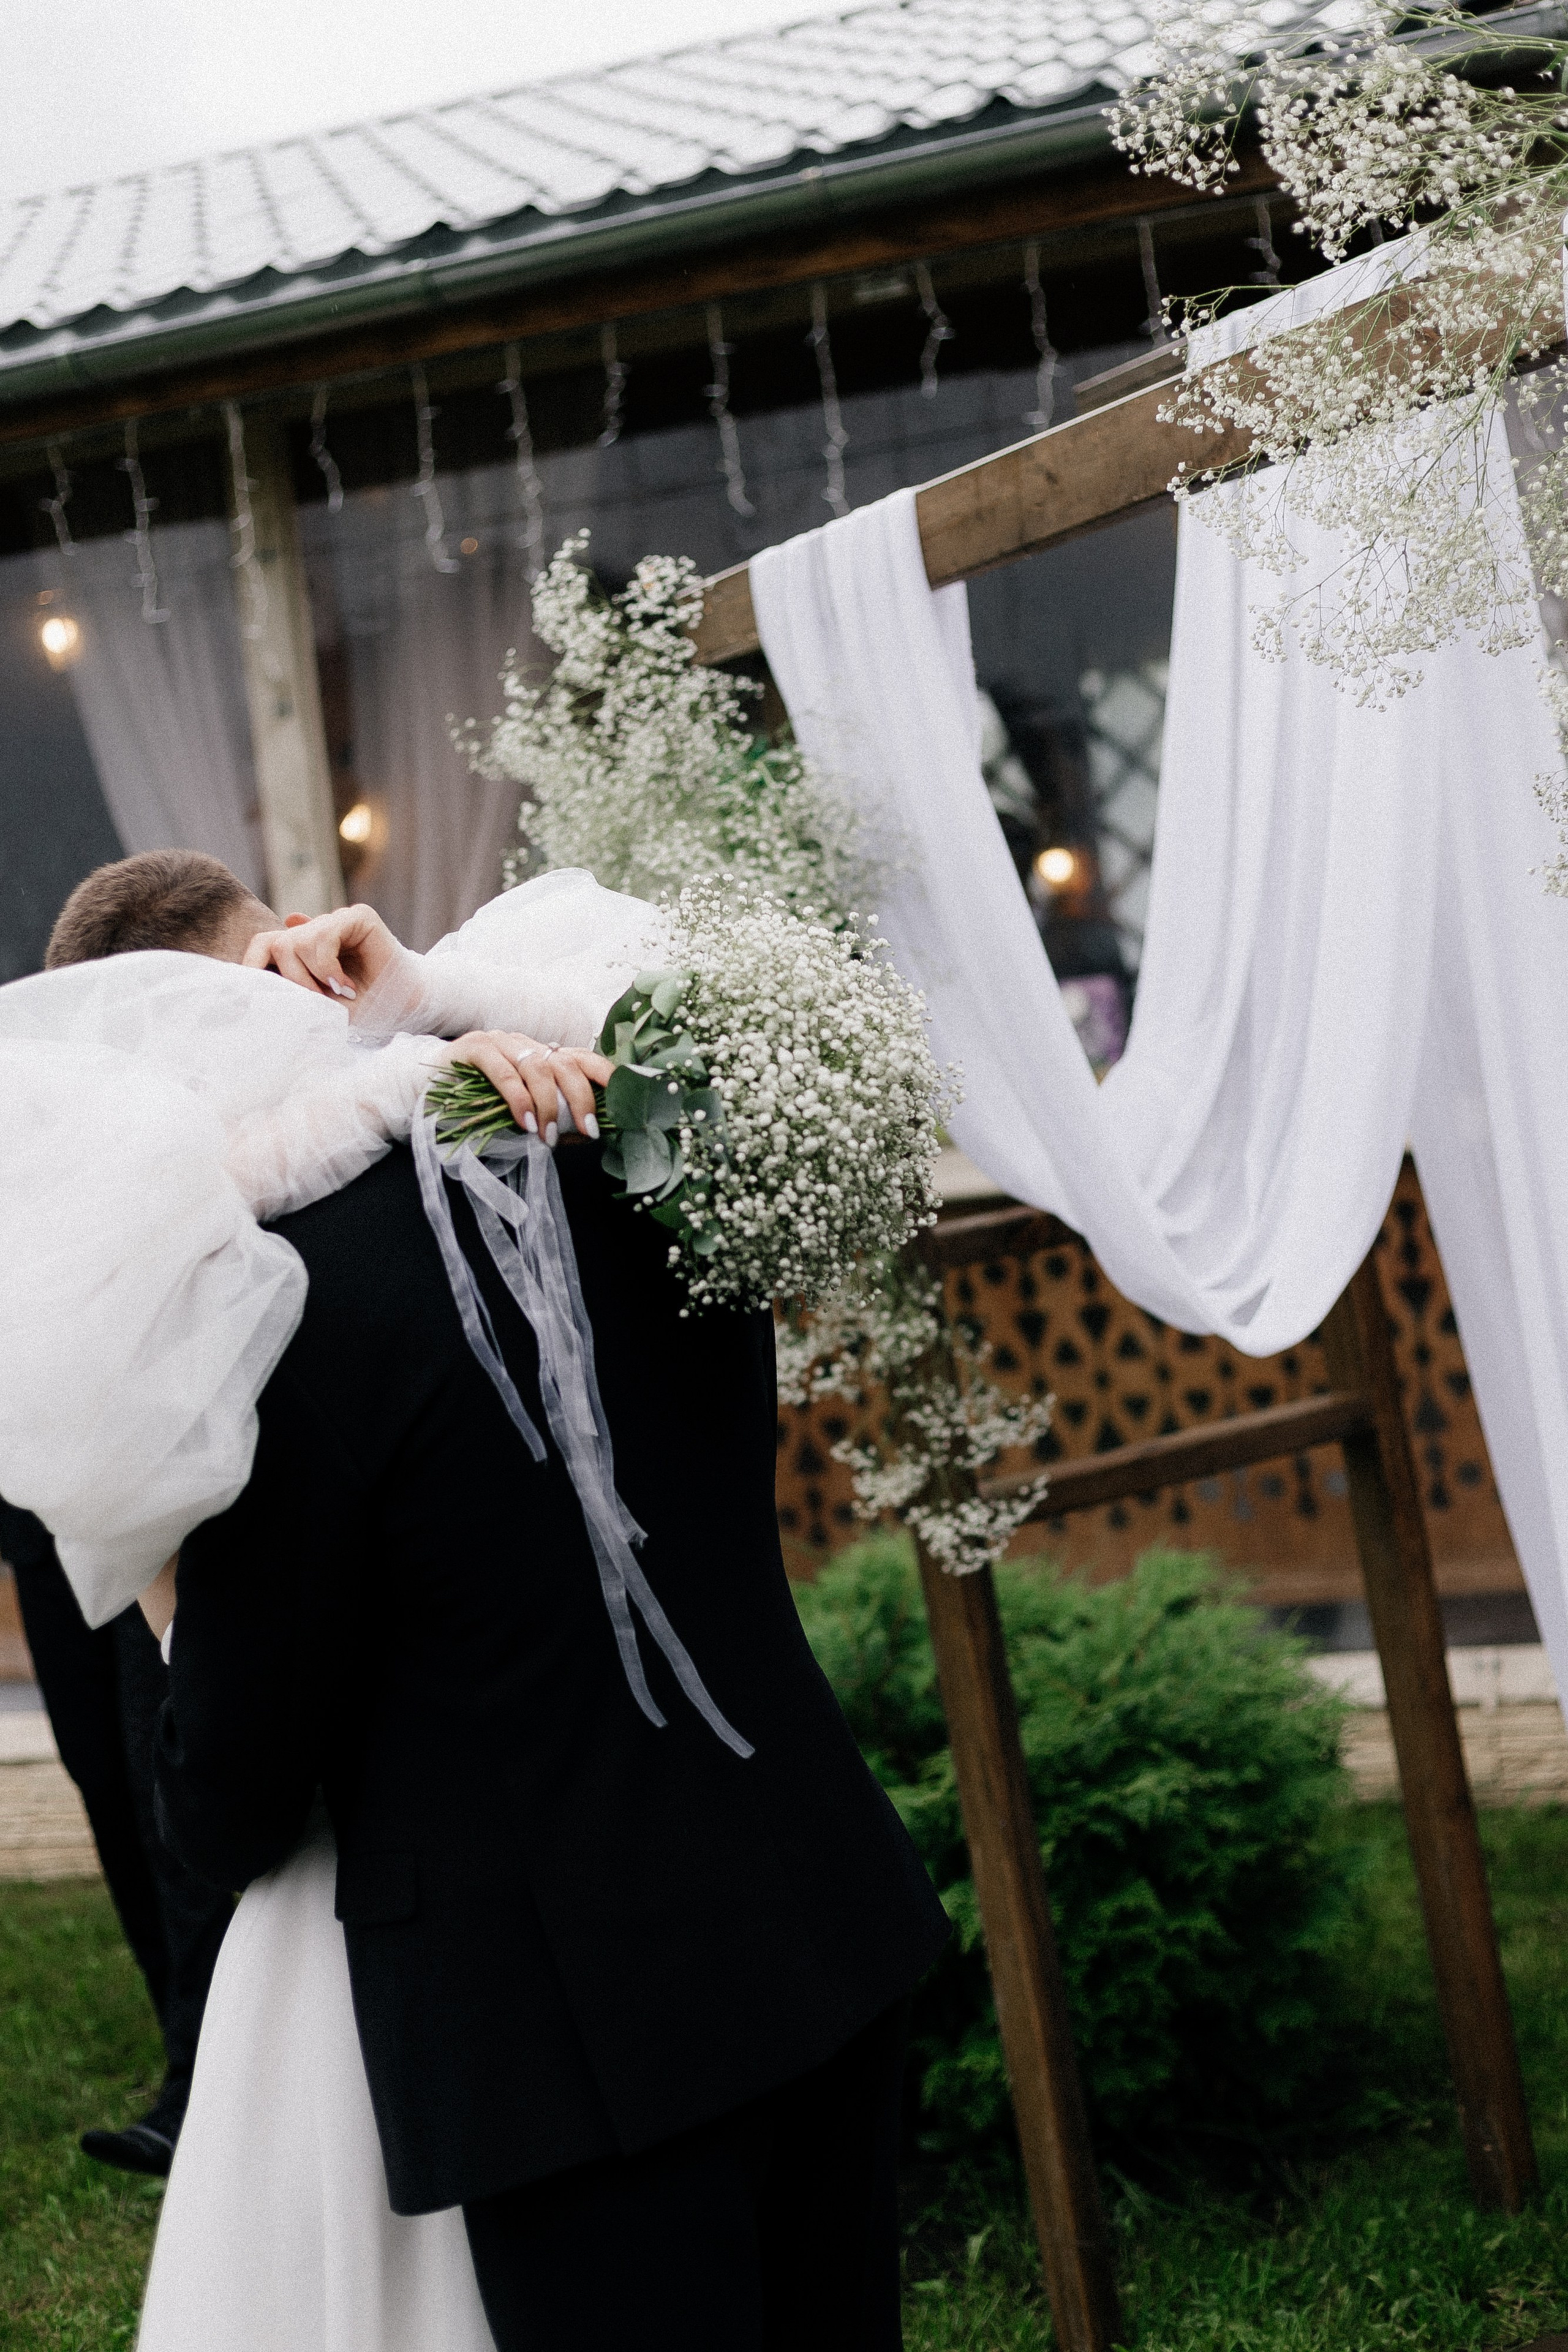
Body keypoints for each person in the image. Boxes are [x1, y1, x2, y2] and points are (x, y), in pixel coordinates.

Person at [11, 852, 950, 2348]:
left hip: (573, 2043)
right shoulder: (608, 1124)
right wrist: (449, 1008)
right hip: (812, 1912)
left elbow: (231, 1804)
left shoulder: (278, 1318)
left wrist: (159, 1573)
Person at [0, 1498, 231, 2176]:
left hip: (144, 1510)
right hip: (37, 1523)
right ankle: (184, 2036)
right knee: (99, 1778)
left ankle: (199, 2082)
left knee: (159, 1784)